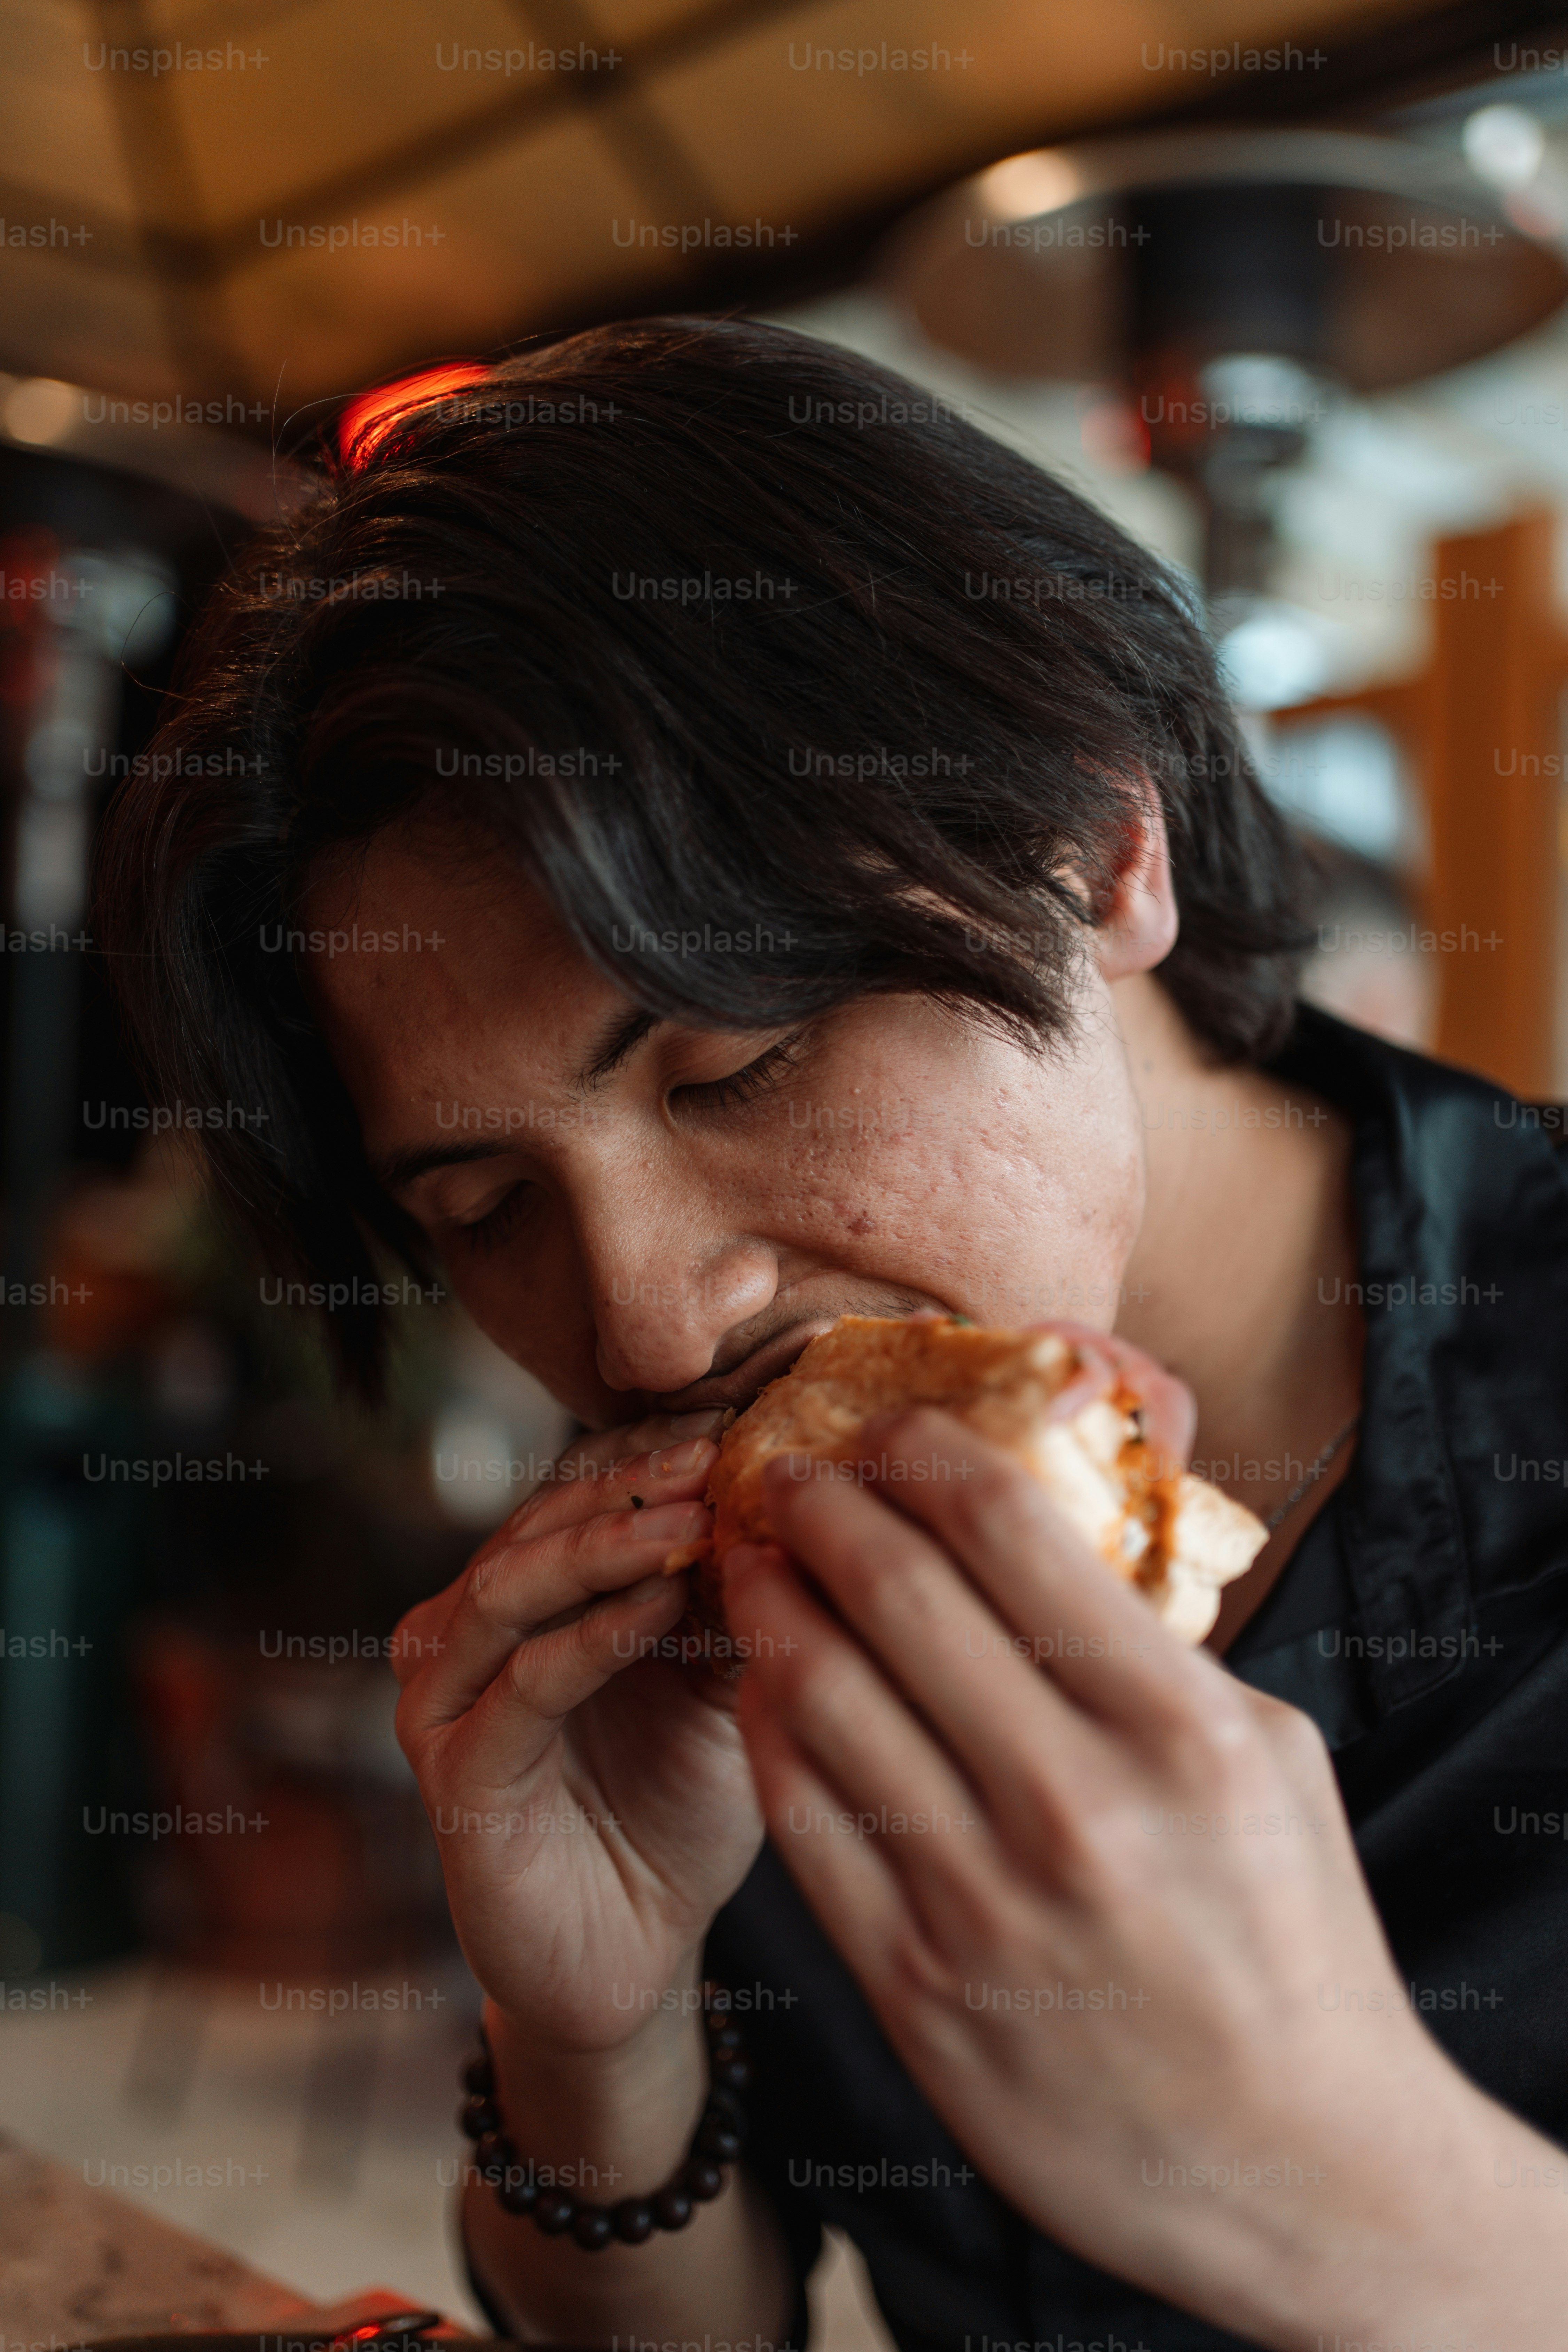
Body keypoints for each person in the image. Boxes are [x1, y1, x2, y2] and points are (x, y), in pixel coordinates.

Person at [97, 318, 1568, 2351]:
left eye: (744, 1065)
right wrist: (592, 2037)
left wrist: (1360, 2193)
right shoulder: (712, 1573)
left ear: (1101, 837)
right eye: (487, 1208)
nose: (647, 1319)